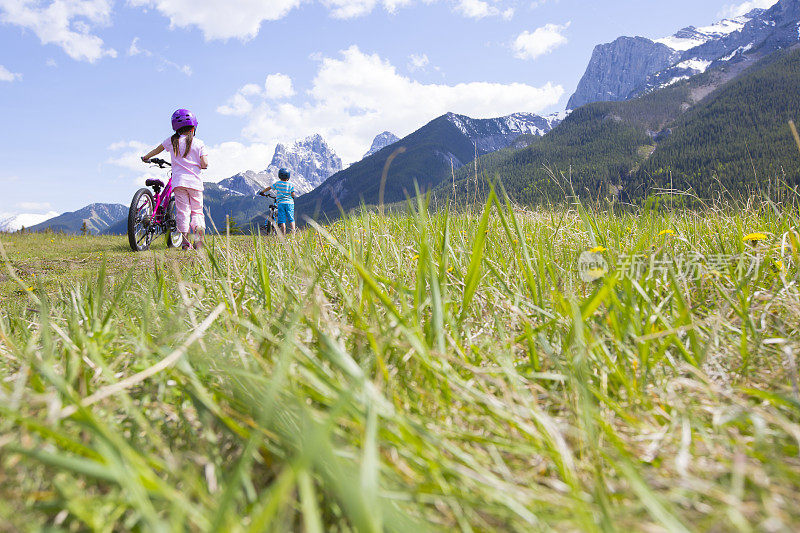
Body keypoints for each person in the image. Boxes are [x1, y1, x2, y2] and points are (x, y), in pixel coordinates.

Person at [141, 109, 208, 250]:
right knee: (197, 212)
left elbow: (157, 150)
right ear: (193, 127)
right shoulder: (199, 143)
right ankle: (199, 242)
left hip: (179, 183)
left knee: (183, 212)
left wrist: (146, 157)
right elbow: (205, 163)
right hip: (195, 183)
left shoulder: (172, 141)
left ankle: (185, 243)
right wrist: (201, 165)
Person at [259, 168, 297, 234]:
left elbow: (269, 188)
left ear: (279, 176)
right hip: (290, 203)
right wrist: (292, 197)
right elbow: (293, 194)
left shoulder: (277, 183)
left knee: (282, 220)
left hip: (281, 203)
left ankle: (283, 235)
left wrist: (262, 192)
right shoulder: (291, 184)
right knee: (291, 219)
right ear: (288, 177)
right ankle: (293, 234)